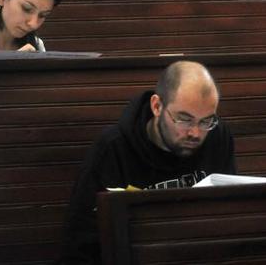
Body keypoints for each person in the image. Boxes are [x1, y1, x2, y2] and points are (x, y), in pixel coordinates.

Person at [59, 61, 237, 264]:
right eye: (184, 119)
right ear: (157, 106)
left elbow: (231, 216)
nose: (195, 133)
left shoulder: (217, 137)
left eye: (206, 121)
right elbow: (79, 244)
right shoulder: (113, 149)